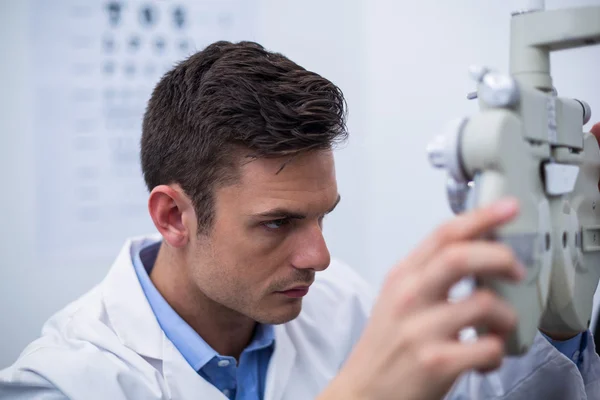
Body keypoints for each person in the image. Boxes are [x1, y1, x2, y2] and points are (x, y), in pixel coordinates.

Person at [1, 40, 599, 400]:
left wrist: (555, 306)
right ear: (173, 215)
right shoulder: (63, 382)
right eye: (277, 222)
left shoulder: (339, 305)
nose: (319, 258)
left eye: (322, 217)